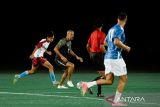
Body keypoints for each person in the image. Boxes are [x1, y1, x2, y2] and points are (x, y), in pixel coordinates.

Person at [78, 12, 130, 106]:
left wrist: (116, 46)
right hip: (115, 58)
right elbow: (116, 42)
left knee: (109, 80)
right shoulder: (120, 29)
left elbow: (105, 43)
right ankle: (116, 101)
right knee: (123, 79)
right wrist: (126, 47)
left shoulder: (111, 29)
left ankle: (87, 85)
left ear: (117, 19)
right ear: (126, 20)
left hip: (107, 58)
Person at [86, 20, 106, 97]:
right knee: (105, 76)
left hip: (93, 56)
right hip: (98, 56)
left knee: (102, 75)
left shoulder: (92, 34)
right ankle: (88, 85)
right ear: (101, 26)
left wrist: (90, 54)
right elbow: (101, 47)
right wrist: (107, 53)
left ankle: (99, 93)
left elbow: (87, 46)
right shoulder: (102, 34)